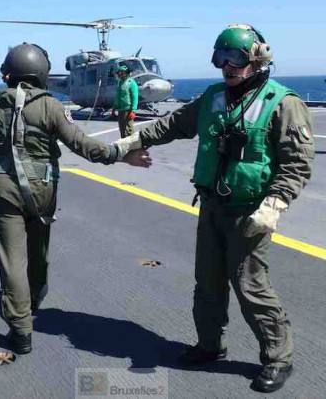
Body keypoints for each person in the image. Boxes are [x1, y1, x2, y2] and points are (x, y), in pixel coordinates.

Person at [114, 24, 315, 393]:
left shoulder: (282, 103)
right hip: (211, 207)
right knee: (207, 283)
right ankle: (210, 346)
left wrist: (275, 202)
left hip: (250, 211)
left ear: (256, 59)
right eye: (220, 58)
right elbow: (175, 124)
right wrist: (135, 139)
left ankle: (278, 357)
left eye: (235, 58)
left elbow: (297, 163)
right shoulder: (213, 98)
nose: (227, 65)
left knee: (251, 287)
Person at [0, 43, 150, 355]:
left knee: (12, 260)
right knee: (39, 249)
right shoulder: (50, 106)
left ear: (7, 73)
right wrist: (120, 154)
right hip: (42, 191)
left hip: (3, 191)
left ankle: (20, 331)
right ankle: (34, 299)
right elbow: (83, 145)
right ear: (42, 74)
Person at [112, 65, 139, 138]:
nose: (119, 75)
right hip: (120, 110)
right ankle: (124, 144)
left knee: (129, 130)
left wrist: (133, 110)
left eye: (121, 73)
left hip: (128, 110)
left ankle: (133, 146)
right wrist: (114, 108)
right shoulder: (120, 83)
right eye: (118, 73)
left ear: (126, 73)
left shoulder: (131, 83)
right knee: (122, 130)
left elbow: (134, 97)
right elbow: (117, 97)